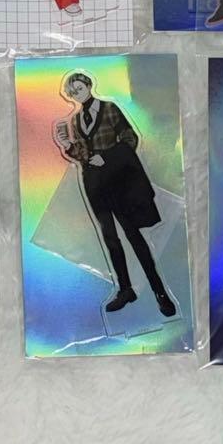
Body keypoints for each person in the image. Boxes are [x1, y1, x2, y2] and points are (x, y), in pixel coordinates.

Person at [53, 73, 176, 317]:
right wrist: (66, 145)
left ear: (89, 85)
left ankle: (160, 292)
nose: (76, 94)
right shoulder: (76, 120)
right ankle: (125, 290)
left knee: (133, 234)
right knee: (110, 237)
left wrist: (107, 157)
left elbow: (130, 138)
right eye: (72, 91)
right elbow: (83, 153)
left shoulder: (109, 108)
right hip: (93, 182)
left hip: (117, 180)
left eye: (79, 88)